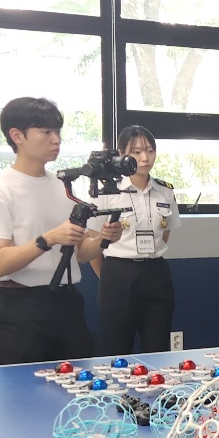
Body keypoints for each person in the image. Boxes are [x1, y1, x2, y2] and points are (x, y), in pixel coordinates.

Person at [0, 97, 120, 366]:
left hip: (67, 302)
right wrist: (48, 239)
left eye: (58, 132)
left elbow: (81, 253)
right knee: (26, 387)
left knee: (79, 382)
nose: (56, 140)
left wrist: (103, 239)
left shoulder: (63, 186)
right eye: (46, 132)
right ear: (17, 135)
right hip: (19, 306)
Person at [94, 124, 178, 354]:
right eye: (137, 152)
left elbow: (166, 232)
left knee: (158, 346)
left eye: (150, 151)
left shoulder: (165, 191)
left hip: (156, 272)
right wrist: (109, 276)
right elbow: (93, 241)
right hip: (118, 273)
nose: (144, 158)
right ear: (122, 154)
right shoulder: (107, 191)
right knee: (117, 348)